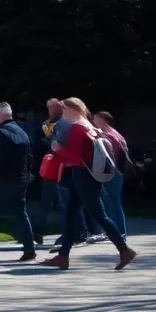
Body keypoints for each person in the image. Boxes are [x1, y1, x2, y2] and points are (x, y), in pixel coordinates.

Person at [44, 98, 135, 270]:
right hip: (89, 175)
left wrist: (57, 149)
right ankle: (63, 256)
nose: (62, 112)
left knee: (99, 215)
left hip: (83, 175)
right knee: (71, 214)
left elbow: (74, 157)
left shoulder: (77, 128)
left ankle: (124, 250)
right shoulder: (88, 125)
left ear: (74, 109)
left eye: (64, 109)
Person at [0, 103, 36, 262]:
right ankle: (29, 249)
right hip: (20, 179)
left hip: (2, 180)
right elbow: (30, 157)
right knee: (21, 213)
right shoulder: (23, 132)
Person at [35, 98, 69, 247]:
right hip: (49, 168)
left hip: (62, 167)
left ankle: (67, 233)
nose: (51, 111)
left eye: (54, 109)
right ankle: (38, 233)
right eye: (49, 108)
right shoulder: (44, 126)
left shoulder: (64, 125)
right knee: (46, 202)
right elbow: (37, 144)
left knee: (62, 203)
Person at [93, 111, 130, 239]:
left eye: (96, 119)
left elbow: (108, 155)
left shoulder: (107, 134)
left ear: (104, 120)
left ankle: (118, 232)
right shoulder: (115, 133)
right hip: (118, 172)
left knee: (113, 202)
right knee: (113, 202)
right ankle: (117, 231)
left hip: (113, 172)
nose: (94, 121)